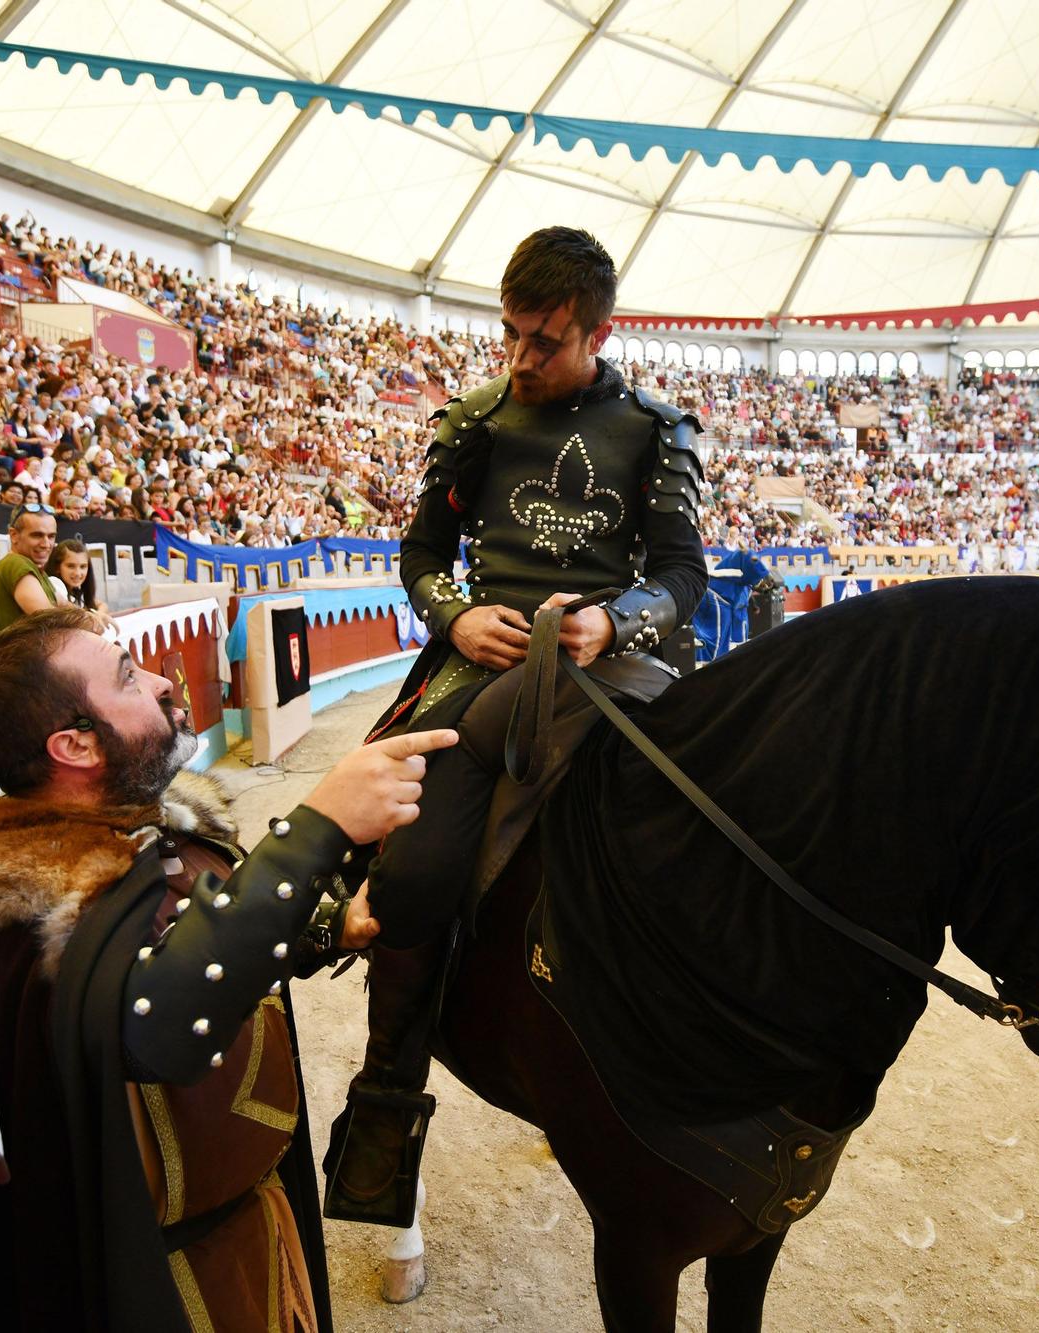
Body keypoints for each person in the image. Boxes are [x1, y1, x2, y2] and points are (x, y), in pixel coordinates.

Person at [321, 226, 707, 1226]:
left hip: (613, 672)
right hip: (471, 676)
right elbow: (418, 554)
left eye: (544, 341)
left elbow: (680, 575)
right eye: (511, 335)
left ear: (597, 332)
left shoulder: (658, 430)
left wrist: (612, 618)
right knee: (403, 880)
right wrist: (454, 613)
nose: (520, 359)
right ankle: (381, 1124)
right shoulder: (477, 418)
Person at [0, 605, 457, 1332]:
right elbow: (162, 1021)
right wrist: (318, 826)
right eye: (127, 676)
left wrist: (327, 925)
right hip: (170, 1280)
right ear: (75, 746)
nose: (161, 680)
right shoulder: (29, 911)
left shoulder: (134, 828)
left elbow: (201, 930)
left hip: (250, 1222)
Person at [0, 503, 61, 639]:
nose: (46, 544)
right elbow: (51, 621)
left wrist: (94, 615)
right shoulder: (15, 563)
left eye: (51, 536)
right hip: (12, 659)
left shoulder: (36, 569)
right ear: (14, 535)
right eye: (37, 535)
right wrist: (89, 620)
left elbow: (63, 604)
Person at [46, 535, 109, 615]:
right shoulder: (54, 584)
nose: (77, 573)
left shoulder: (76, 591)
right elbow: (76, 613)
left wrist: (99, 614)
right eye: (71, 566)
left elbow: (102, 605)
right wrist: (96, 617)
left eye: (83, 566)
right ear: (57, 567)